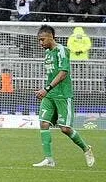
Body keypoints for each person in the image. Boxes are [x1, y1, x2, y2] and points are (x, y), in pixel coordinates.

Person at [34, 25, 95, 167]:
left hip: (63, 95)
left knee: (65, 129)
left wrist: (46, 88)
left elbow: (63, 74)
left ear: (51, 37)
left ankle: (86, 148)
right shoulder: (48, 53)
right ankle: (49, 159)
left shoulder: (62, 50)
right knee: (43, 123)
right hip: (49, 95)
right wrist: (45, 90)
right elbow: (51, 74)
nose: (40, 43)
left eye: (42, 40)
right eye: (39, 40)